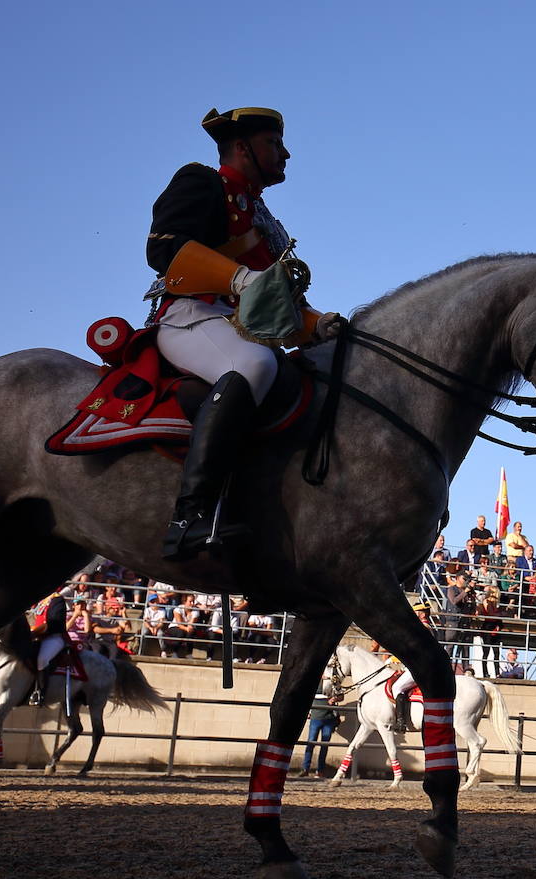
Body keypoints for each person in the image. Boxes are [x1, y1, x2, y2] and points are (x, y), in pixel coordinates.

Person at [148, 107, 342, 560]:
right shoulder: (202, 181)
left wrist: (320, 325)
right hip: (192, 315)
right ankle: (189, 515)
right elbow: (164, 249)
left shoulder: (266, 220)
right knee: (252, 365)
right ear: (242, 148)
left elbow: (280, 309)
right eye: (274, 143)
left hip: (245, 328)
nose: (285, 153)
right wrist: (237, 279)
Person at [30, 596, 70, 704]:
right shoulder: (40, 601)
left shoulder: (57, 600)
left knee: (42, 659)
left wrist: (34, 633)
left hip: (53, 637)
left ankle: (40, 692)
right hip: (36, 637)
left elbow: (54, 623)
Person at [300, 672, 341, 777]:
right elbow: (305, 697)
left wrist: (335, 698)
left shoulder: (334, 682)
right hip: (315, 718)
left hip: (329, 718)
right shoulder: (313, 681)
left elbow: (341, 696)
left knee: (324, 745)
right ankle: (305, 769)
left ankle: (320, 770)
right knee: (311, 743)